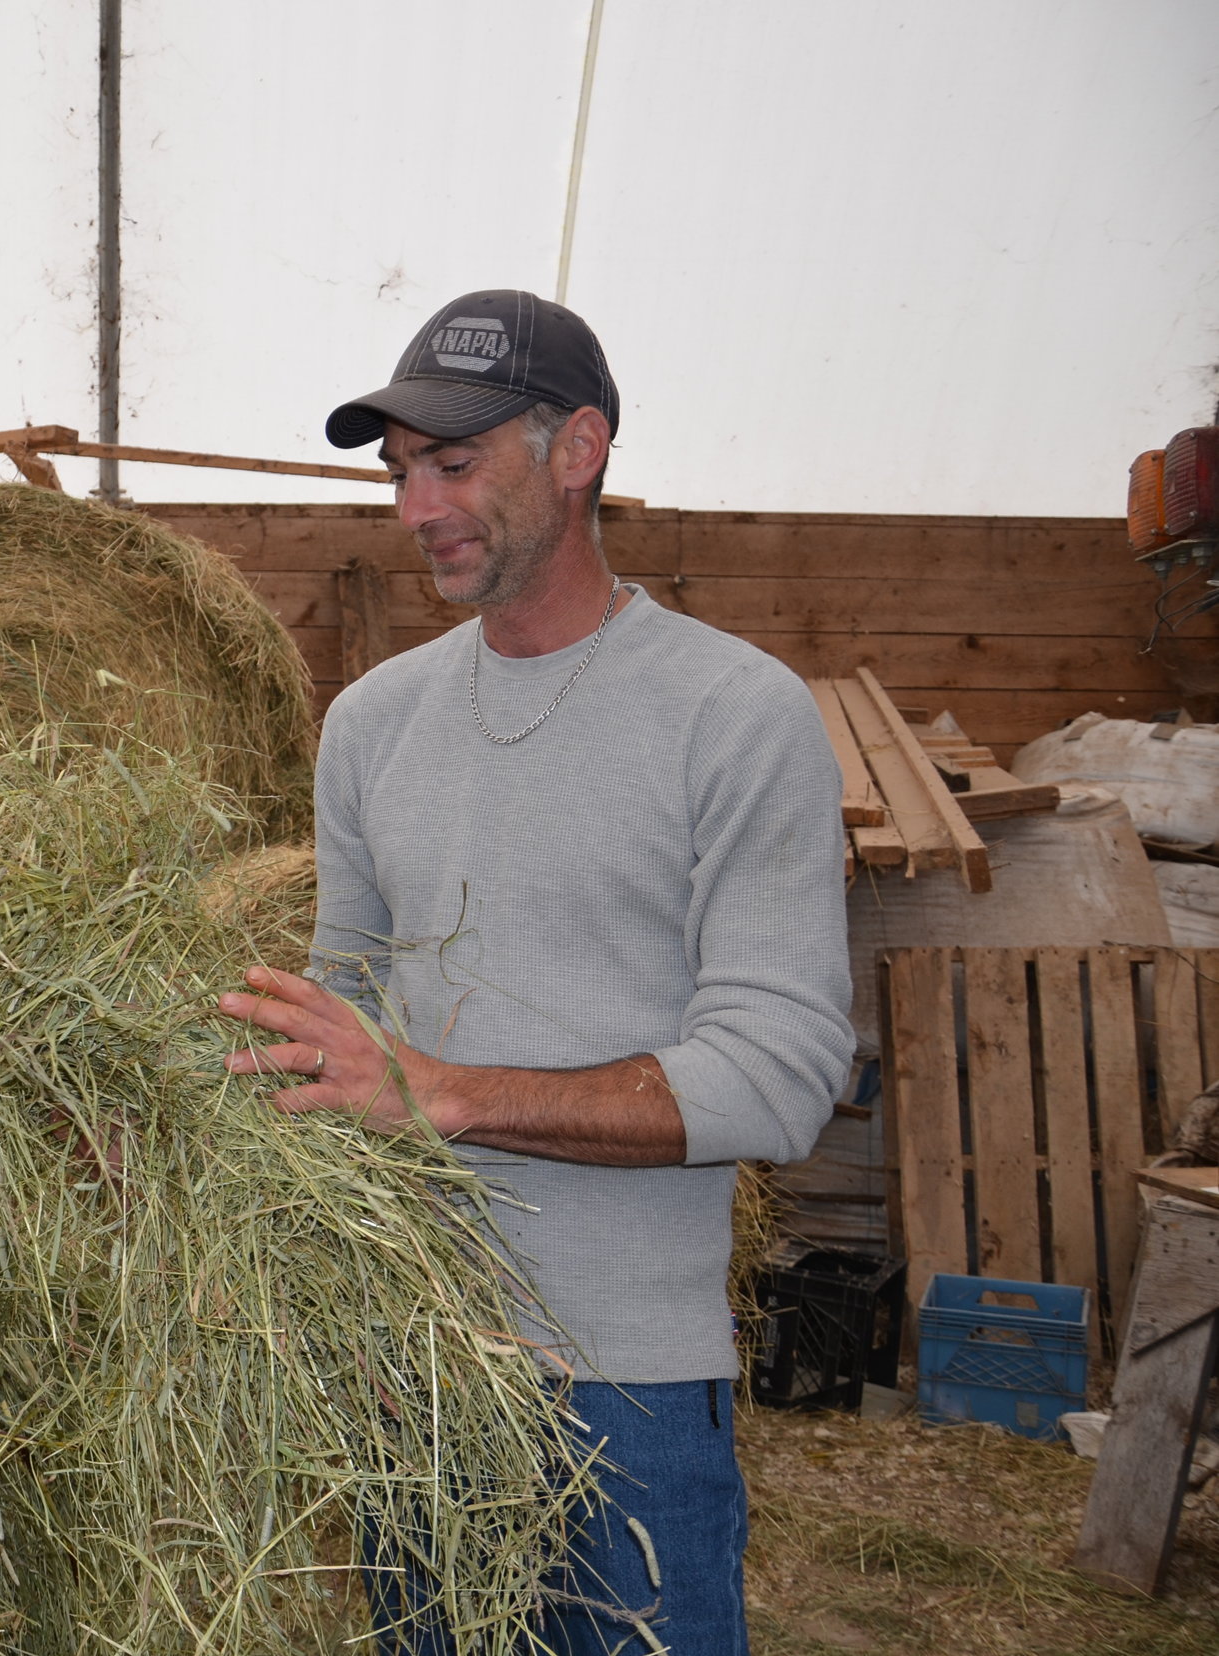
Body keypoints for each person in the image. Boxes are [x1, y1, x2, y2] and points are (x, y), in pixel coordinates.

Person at [215, 289, 852, 1653]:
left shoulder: (735, 713)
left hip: (627, 1392)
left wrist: (444, 1093)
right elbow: (345, 1027)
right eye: (400, 473)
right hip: (419, 1381)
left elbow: (780, 1073)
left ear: (579, 450)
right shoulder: (371, 724)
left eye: (452, 464)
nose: (415, 508)